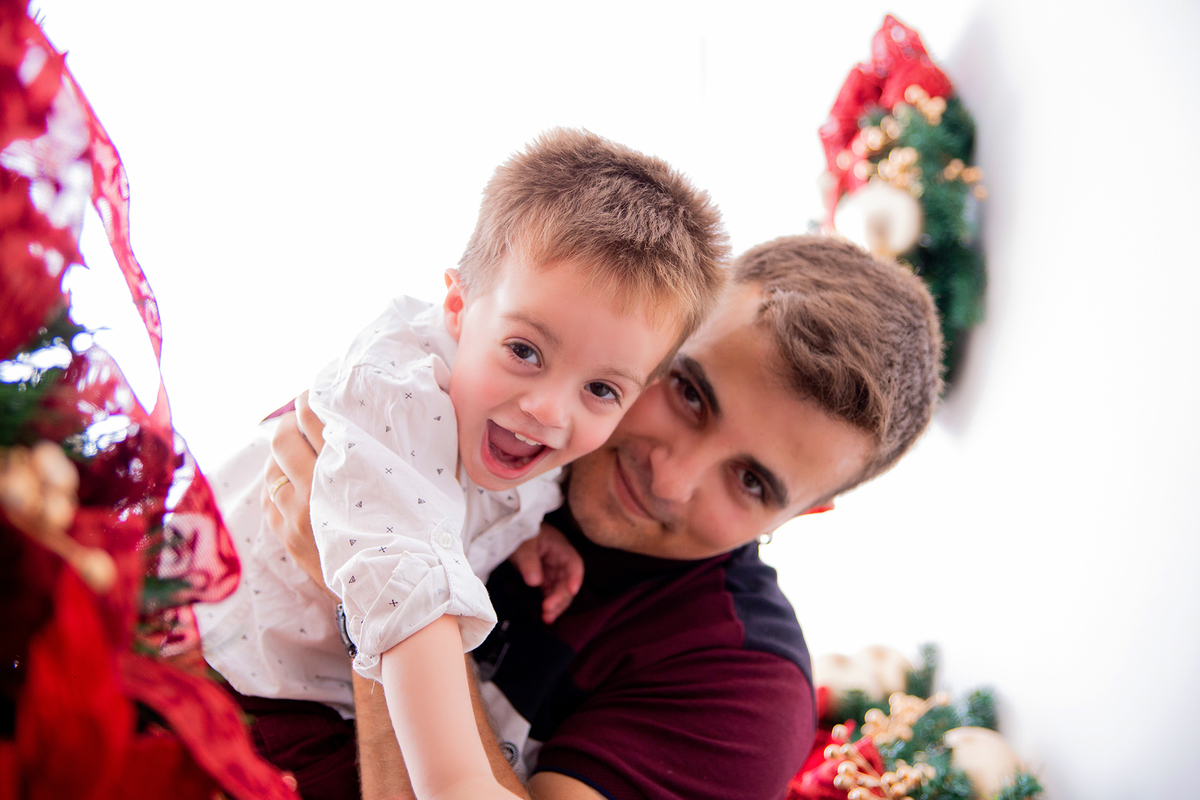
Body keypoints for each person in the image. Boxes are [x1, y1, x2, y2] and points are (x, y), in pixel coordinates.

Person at [261, 234, 944, 800]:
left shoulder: (743, 692)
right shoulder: (492, 391)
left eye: (751, 482)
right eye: (688, 393)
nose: (669, 478)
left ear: (806, 512)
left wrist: (376, 593)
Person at [195, 128, 729, 800]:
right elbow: (407, 590)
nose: (548, 410)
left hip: (305, 697)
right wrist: (463, 783)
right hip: (226, 681)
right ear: (457, 308)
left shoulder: (515, 429)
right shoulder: (394, 394)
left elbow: (466, 501)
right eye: (526, 351)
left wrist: (526, 531)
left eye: (601, 389)